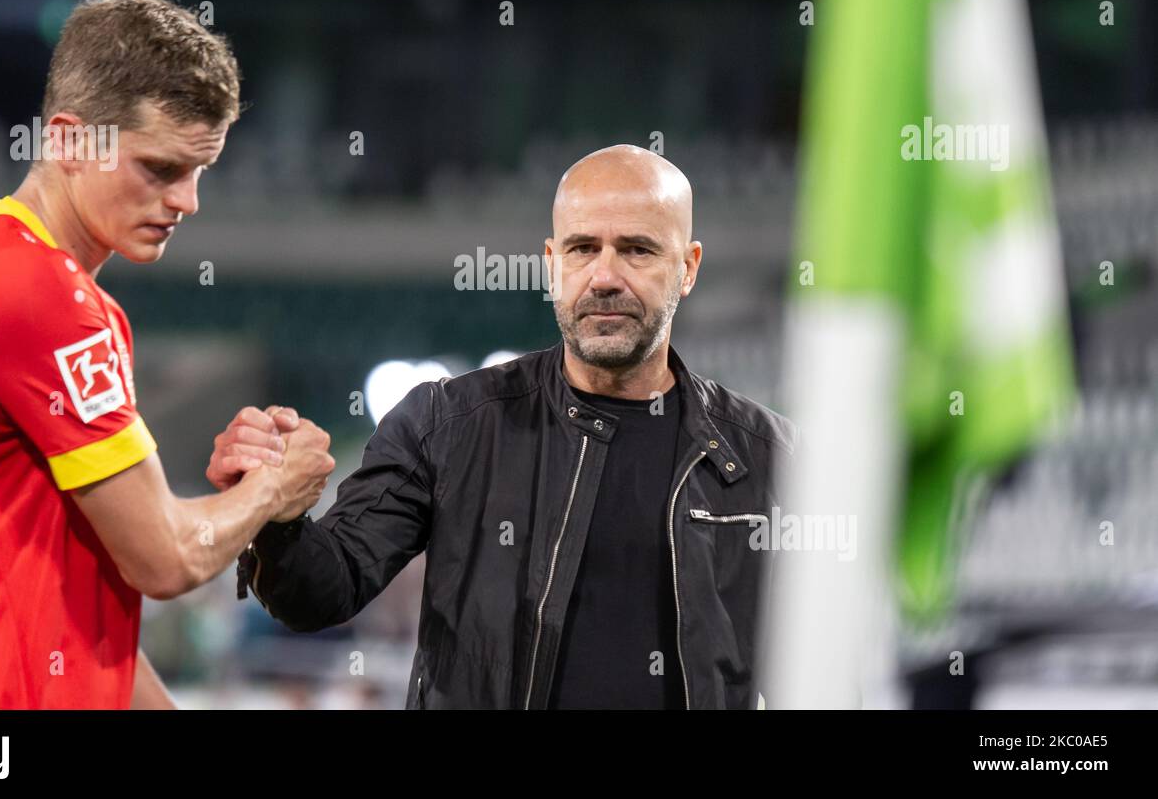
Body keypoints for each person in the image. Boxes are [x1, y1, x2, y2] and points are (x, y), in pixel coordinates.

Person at [0, 0, 333, 709]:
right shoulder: (34, 293)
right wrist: (273, 489)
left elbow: (79, 617)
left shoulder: (9, 271)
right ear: (69, 139)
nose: (188, 202)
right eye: (161, 169)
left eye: (200, 171)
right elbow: (166, 559)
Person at [215, 144, 796, 709]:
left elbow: (823, 663)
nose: (604, 276)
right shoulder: (447, 424)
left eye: (638, 250)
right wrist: (278, 512)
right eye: (582, 248)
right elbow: (325, 590)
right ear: (550, 264)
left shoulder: (769, 456)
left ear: (688, 267)